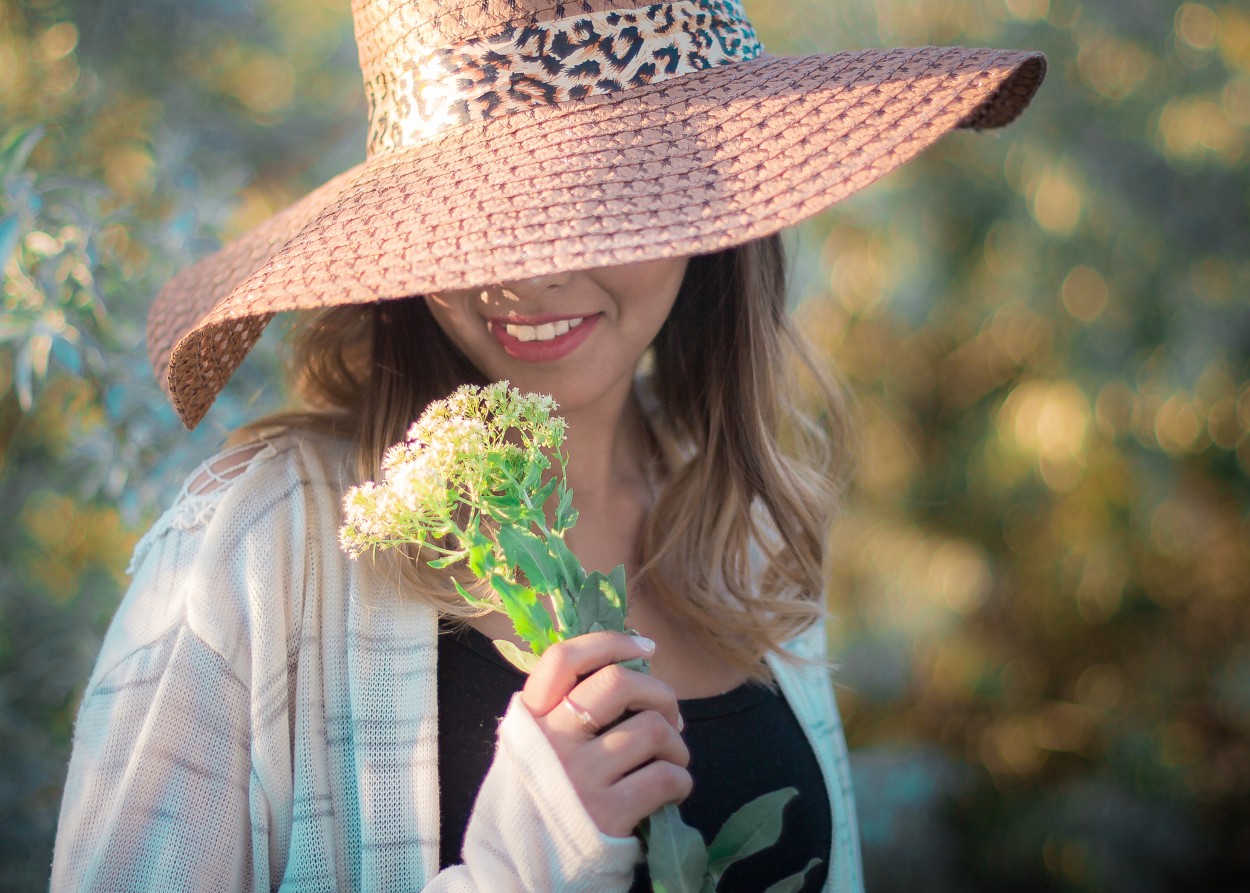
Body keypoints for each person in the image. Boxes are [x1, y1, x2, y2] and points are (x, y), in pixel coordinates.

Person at [51, 1, 1046, 891]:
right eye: (473, 222)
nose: (529, 277)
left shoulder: (741, 523)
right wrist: (523, 861)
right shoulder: (262, 542)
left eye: (602, 197)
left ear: (707, 202)